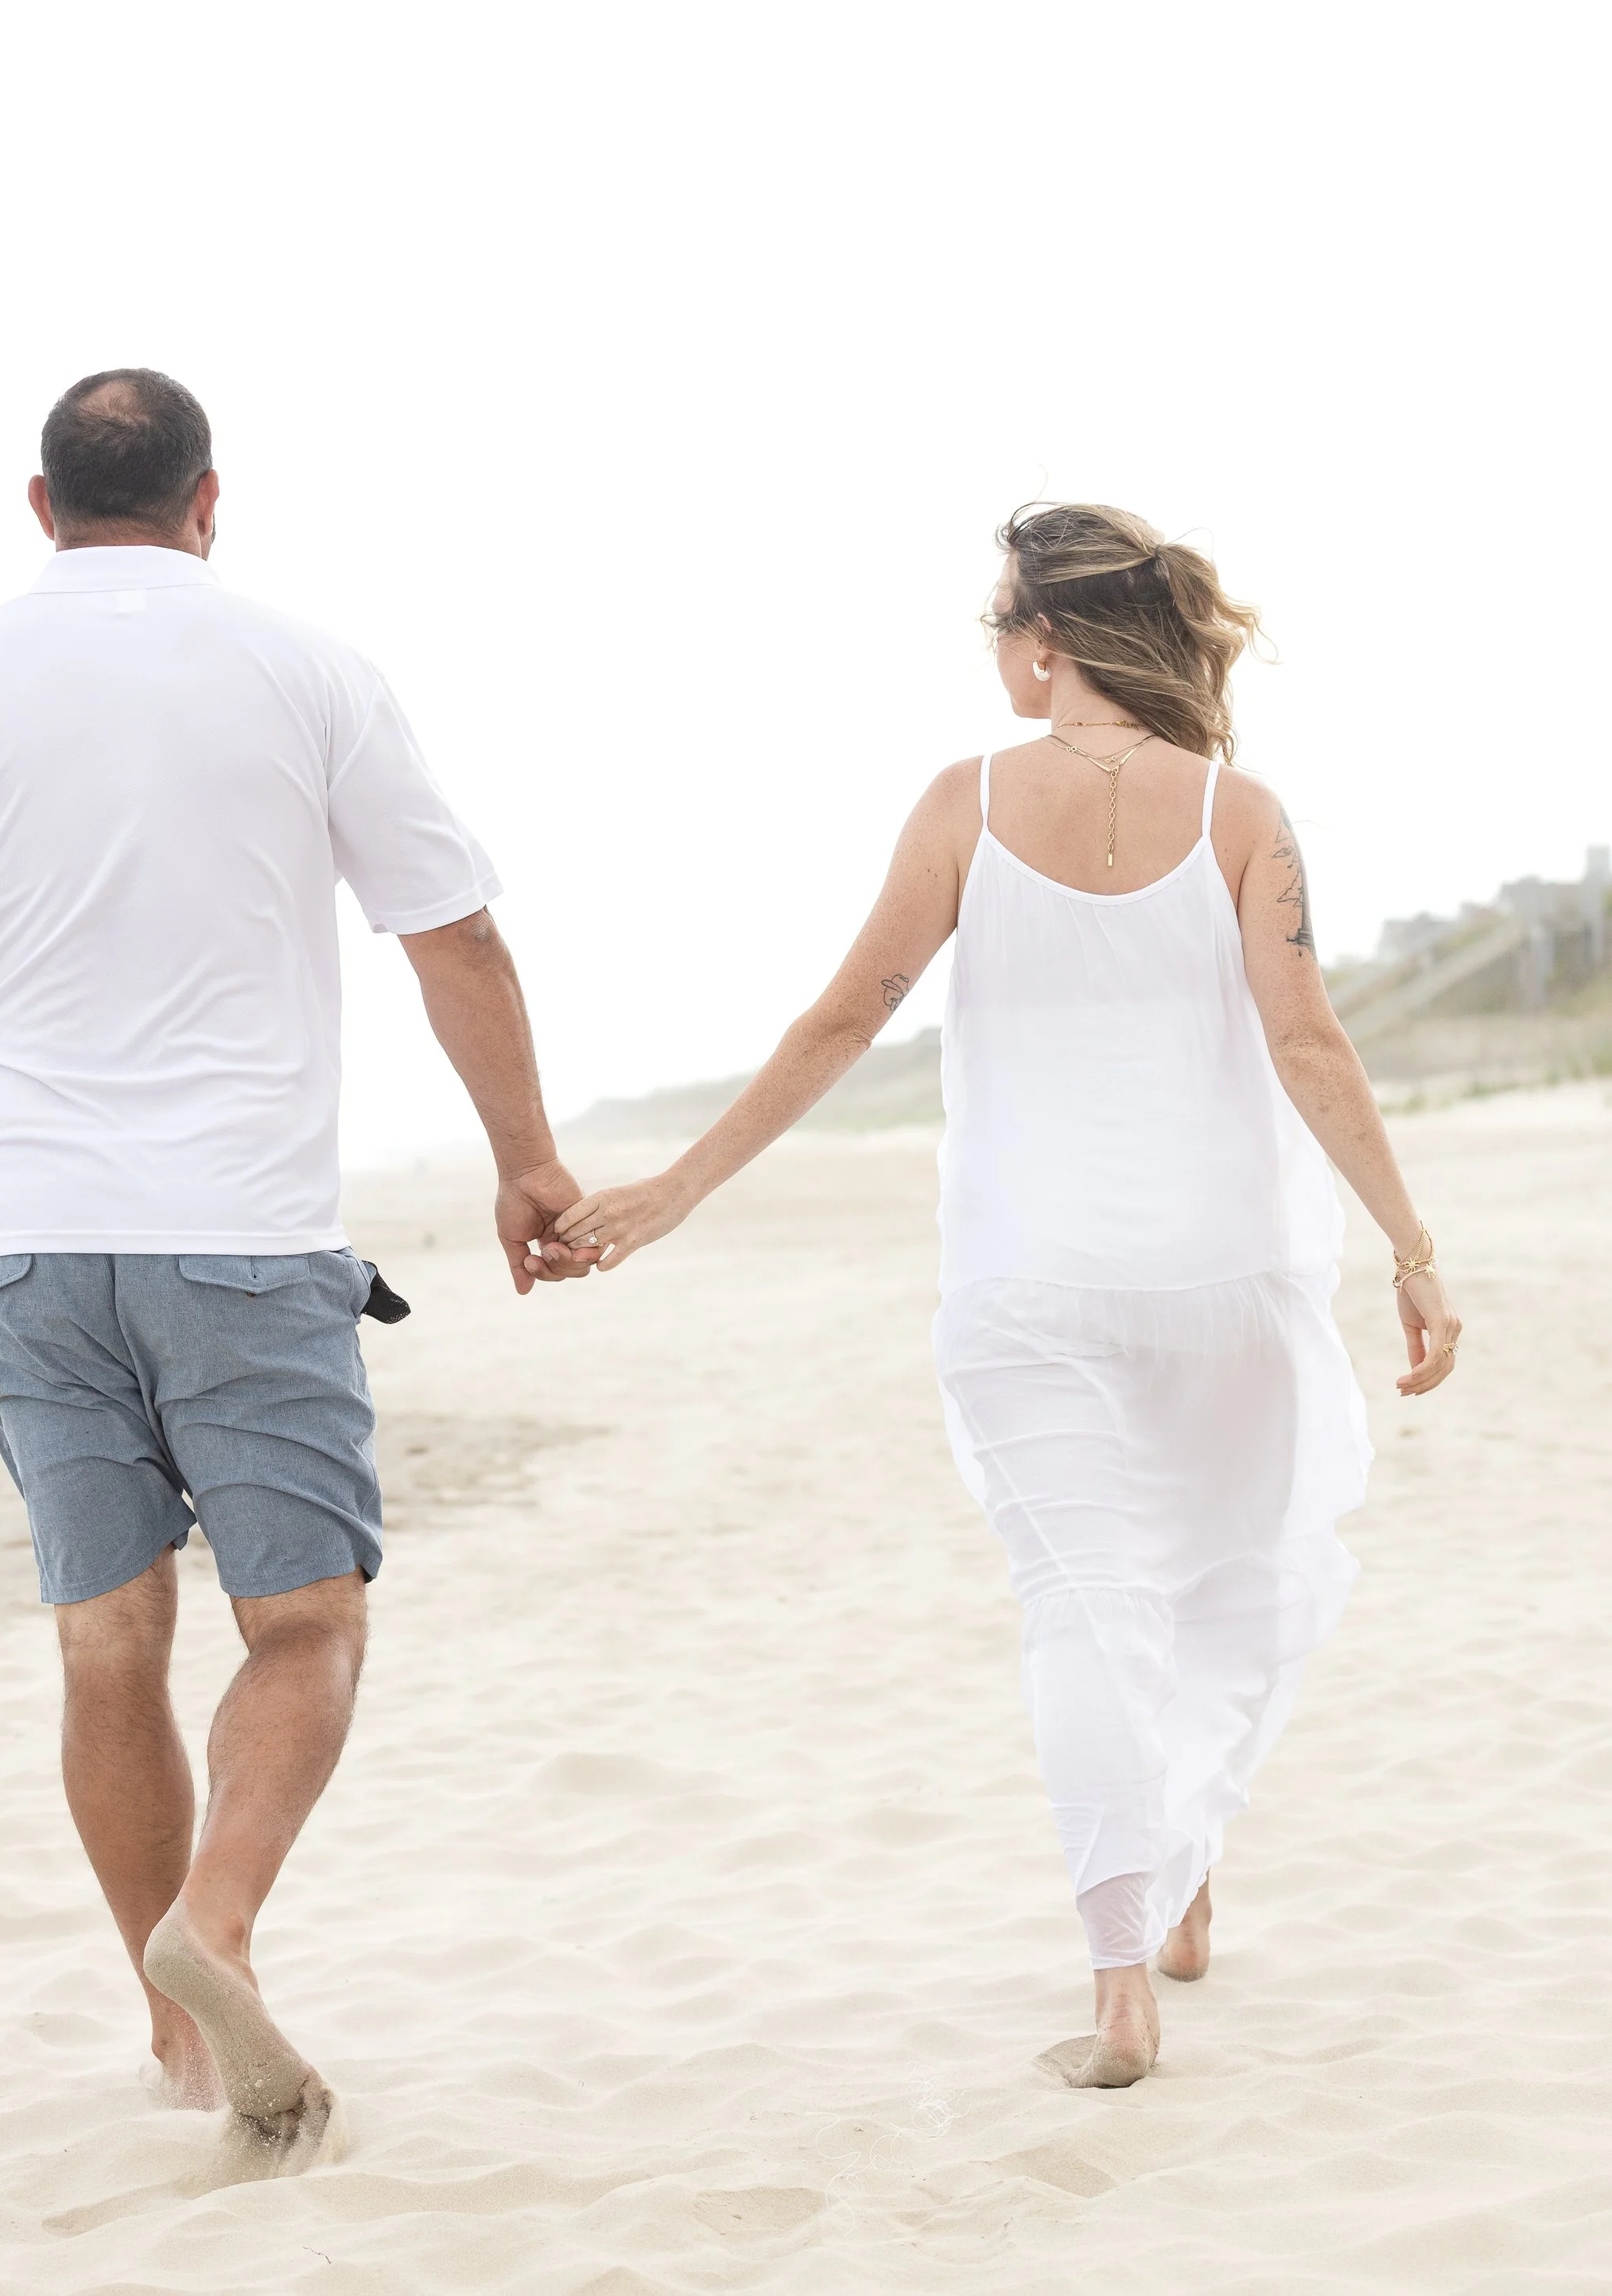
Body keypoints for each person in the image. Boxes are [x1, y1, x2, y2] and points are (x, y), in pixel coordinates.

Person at [552, 502, 1460, 2089]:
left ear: (1045, 642)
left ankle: (1124, 1973)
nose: (988, 648)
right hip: (1226, 1282)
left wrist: (673, 1193)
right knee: (1217, 1583)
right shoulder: (1240, 812)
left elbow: (846, 1020)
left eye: (993, 622)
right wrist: (1408, 1245)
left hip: (1027, 1290)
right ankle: (1175, 1882)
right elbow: (1307, 1042)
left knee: (1086, 1603)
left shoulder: (960, 806)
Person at [0, 367, 591, 2146]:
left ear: (39, 505)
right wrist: (526, 1160)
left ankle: (169, 2045)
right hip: (239, 1233)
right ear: (207, 500)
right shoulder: (308, 670)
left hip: (26, 1237)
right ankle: (213, 1924)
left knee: (106, 1646)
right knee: (301, 1626)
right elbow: (448, 932)